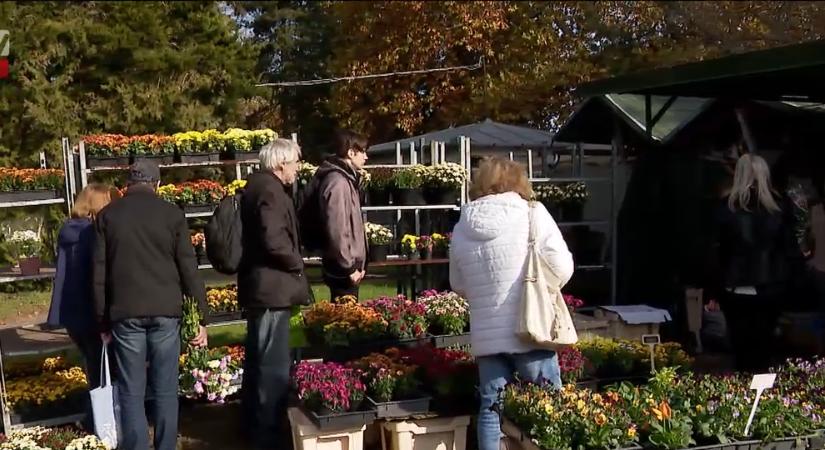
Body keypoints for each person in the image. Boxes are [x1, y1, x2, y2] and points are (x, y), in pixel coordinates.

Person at [449, 157, 574, 450]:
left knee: (491, 410)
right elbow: (562, 268)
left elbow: (458, 283)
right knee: (549, 407)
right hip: (530, 329)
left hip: (487, 337)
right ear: (518, 180)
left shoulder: (463, 224)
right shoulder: (532, 213)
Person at [93, 159, 208, 450]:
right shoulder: (172, 215)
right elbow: (188, 269)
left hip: (125, 313)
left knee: (131, 391)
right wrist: (200, 318)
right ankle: (166, 445)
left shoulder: (107, 217)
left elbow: (98, 275)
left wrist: (102, 321)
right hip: (166, 311)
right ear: (156, 184)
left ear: (127, 185)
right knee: (166, 388)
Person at [238, 138, 310, 450]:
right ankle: (267, 433)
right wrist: (296, 261)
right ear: (280, 163)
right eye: (295, 162)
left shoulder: (258, 187)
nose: (297, 168)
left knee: (258, 358)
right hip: (272, 289)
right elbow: (272, 238)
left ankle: (253, 425)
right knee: (272, 364)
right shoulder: (269, 191)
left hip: (262, 286)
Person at [47, 183, 121, 430]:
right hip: (92, 310)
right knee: (105, 370)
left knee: (93, 367)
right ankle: (101, 422)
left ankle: (96, 419)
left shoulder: (67, 231)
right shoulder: (92, 234)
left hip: (71, 312)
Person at [709, 153, 792, 372]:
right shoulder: (780, 207)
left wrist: (714, 287)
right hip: (772, 284)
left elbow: (716, 250)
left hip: (736, 284)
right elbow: (789, 250)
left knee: (740, 345)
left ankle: (743, 392)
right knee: (765, 346)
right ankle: (763, 392)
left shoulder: (725, 208)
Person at [314, 129, 369, 300]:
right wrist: (349, 268)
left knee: (347, 320)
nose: (366, 157)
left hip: (347, 265)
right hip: (343, 268)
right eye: (363, 151)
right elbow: (337, 228)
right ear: (351, 153)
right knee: (344, 321)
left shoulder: (346, 179)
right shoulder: (338, 182)